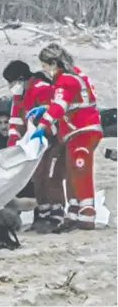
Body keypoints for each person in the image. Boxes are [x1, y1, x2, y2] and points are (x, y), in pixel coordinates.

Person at [27, 44, 103, 232]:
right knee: (71, 172)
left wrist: (43, 124)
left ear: (53, 63)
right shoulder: (75, 76)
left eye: (45, 65)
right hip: (77, 132)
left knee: (79, 171)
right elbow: (70, 102)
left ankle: (86, 213)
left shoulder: (66, 80)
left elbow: (60, 106)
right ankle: (74, 211)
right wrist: (45, 108)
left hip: (81, 131)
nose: (44, 70)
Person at [3, 59, 66, 233]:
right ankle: (43, 215)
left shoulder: (41, 89)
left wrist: (46, 134)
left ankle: (57, 215)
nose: (11, 86)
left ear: (21, 78)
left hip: (51, 141)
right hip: (36, 144)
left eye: (12, 82)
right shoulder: (22, 95)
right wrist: (12, 146)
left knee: (50, 178)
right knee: (38, 178)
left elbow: (52, 113)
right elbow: (16, 121)